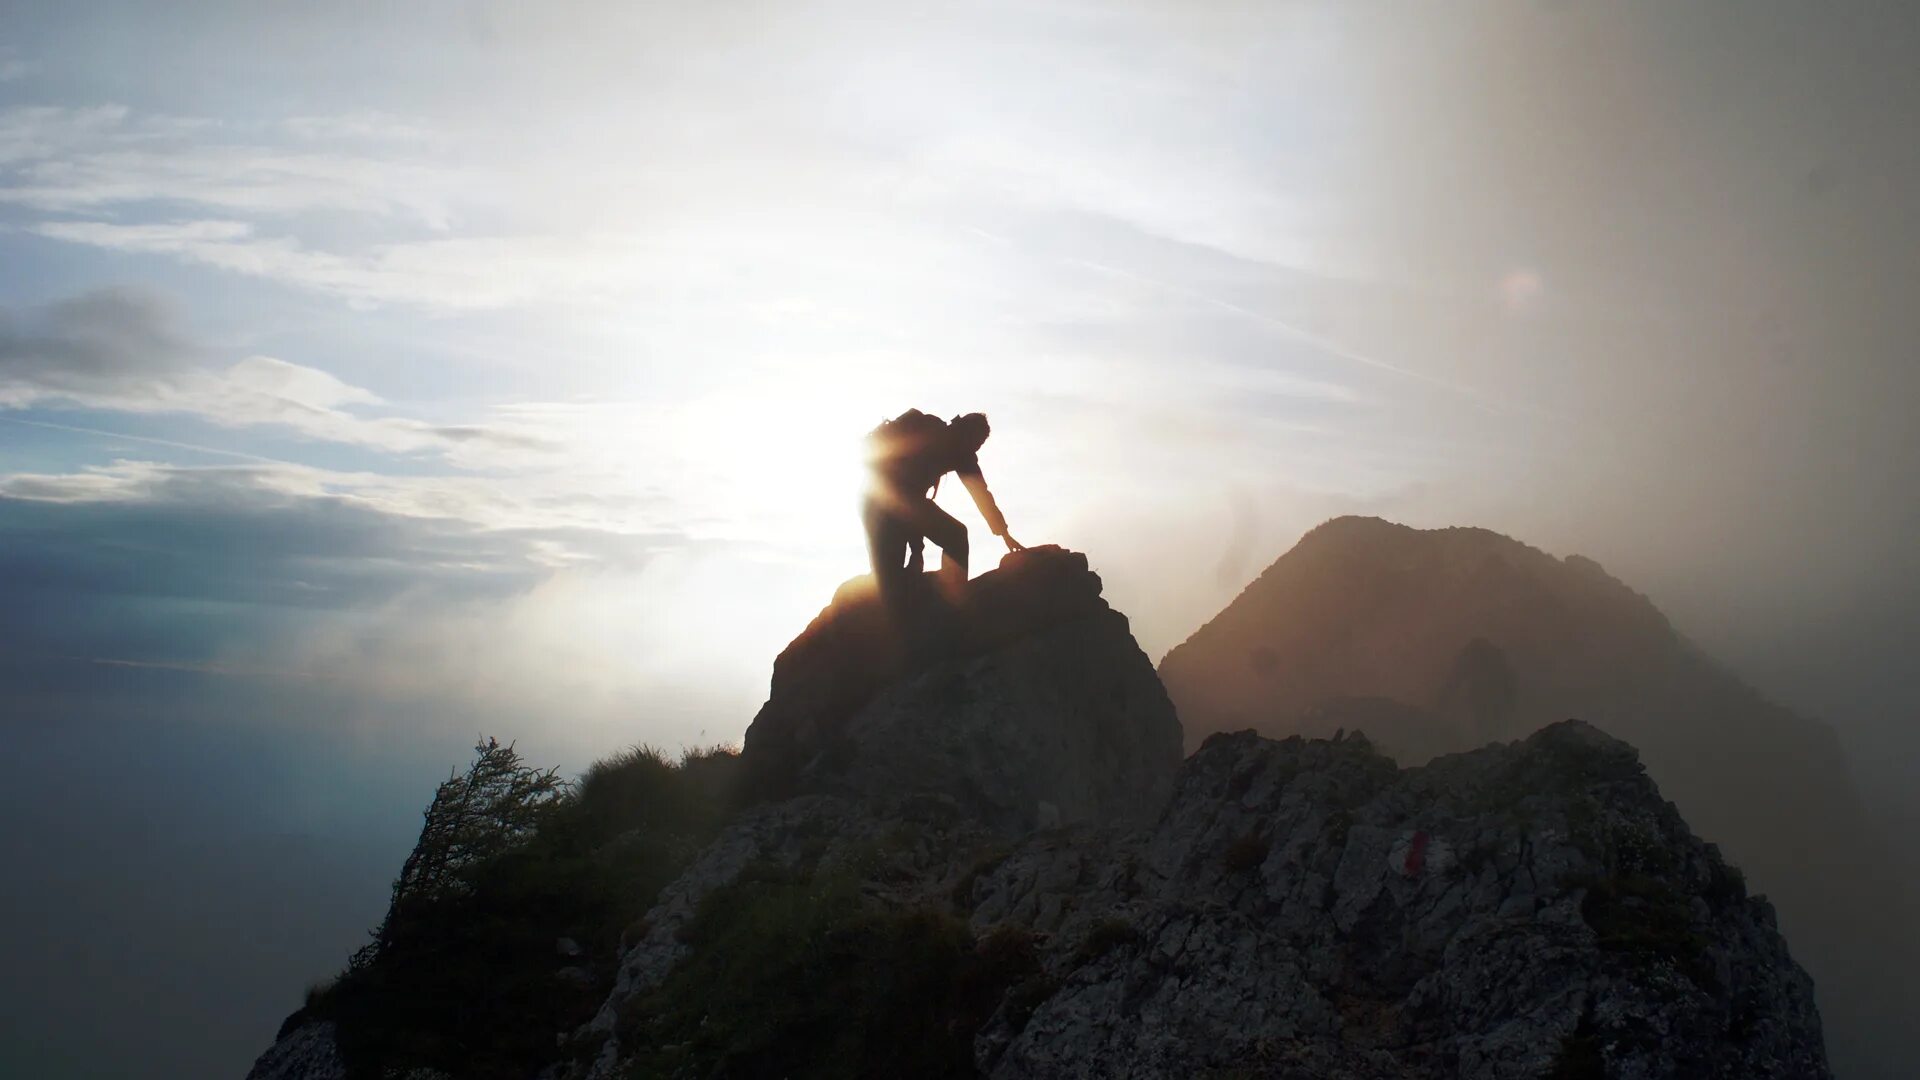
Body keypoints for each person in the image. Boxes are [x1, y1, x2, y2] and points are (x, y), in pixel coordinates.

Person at [864, 409, 1024, 590]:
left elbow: (981, 494)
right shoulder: (932, 436)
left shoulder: (957, 450)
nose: (976, 450)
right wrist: (917, 548)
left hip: (879, 501)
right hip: (880, 501)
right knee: (893, 573)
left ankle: (952, 594)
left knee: (953, 537)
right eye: (976, 443)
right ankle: (952, 598)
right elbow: (904, 496)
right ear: (966, 433)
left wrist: (1003, 532)